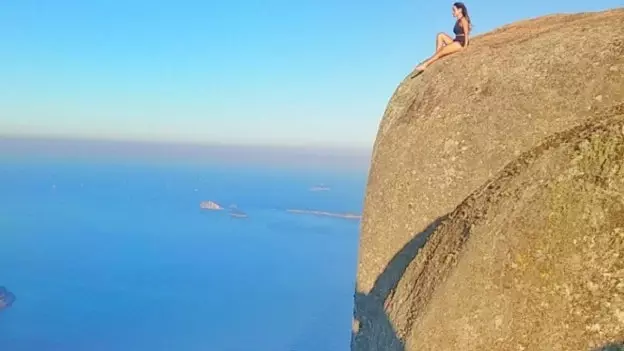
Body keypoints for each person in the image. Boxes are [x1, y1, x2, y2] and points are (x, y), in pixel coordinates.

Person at [415, 2, 472, 72]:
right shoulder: (458, 21)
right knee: (440, 35)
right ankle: (436, 55)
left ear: (460, 10)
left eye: (454, 10)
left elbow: (466, 33)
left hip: (460, 43)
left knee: (443, 50)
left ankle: (425, 65)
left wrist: (465, 46)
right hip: (456, 40)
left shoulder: (463, 20)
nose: (452, 12)